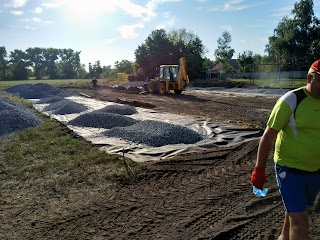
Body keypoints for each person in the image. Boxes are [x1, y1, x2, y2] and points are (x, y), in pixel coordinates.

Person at [251, 59, 320, 240]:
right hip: (289, 170)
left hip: (315, 171)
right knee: (301, 223)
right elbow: (268, 136)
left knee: (293, 216)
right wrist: (259, 169)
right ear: (309, 78)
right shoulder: (291, 100)